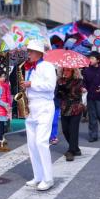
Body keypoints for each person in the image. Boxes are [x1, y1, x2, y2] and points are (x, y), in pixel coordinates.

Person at [22, 40, 57, 191]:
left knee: (41, 142)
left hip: (44, 106)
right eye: (28, 51)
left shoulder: (48, 66)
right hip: (31, 106)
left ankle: (48, 179)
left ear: (38, 53)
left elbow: (51, 86)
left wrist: (31, 84)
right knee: (32, 144)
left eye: (31, 51)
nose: (28, 53)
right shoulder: (29, 68)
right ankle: (38, 176)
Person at [82, 51, 100, 142]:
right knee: (92, 116)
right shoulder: (86, 70)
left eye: (92, 58)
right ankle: (93, 135)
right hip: (90, 96)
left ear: (98, 60)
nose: (90, 60)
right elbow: (84, 83)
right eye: (89, 58)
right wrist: (83, 87)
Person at [56, 68, 84, 161]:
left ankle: (71, 151)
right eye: (64, 70)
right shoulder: (60, 81)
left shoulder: (78, 81)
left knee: (73, 130)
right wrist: (59, 90)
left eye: (68, 70)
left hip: (75, 108)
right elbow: (58, 95)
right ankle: (76, 148)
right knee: (65, 130)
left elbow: (76, 95)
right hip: (64, 108)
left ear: (73, 72)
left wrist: (65, 88)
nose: (66, 72)